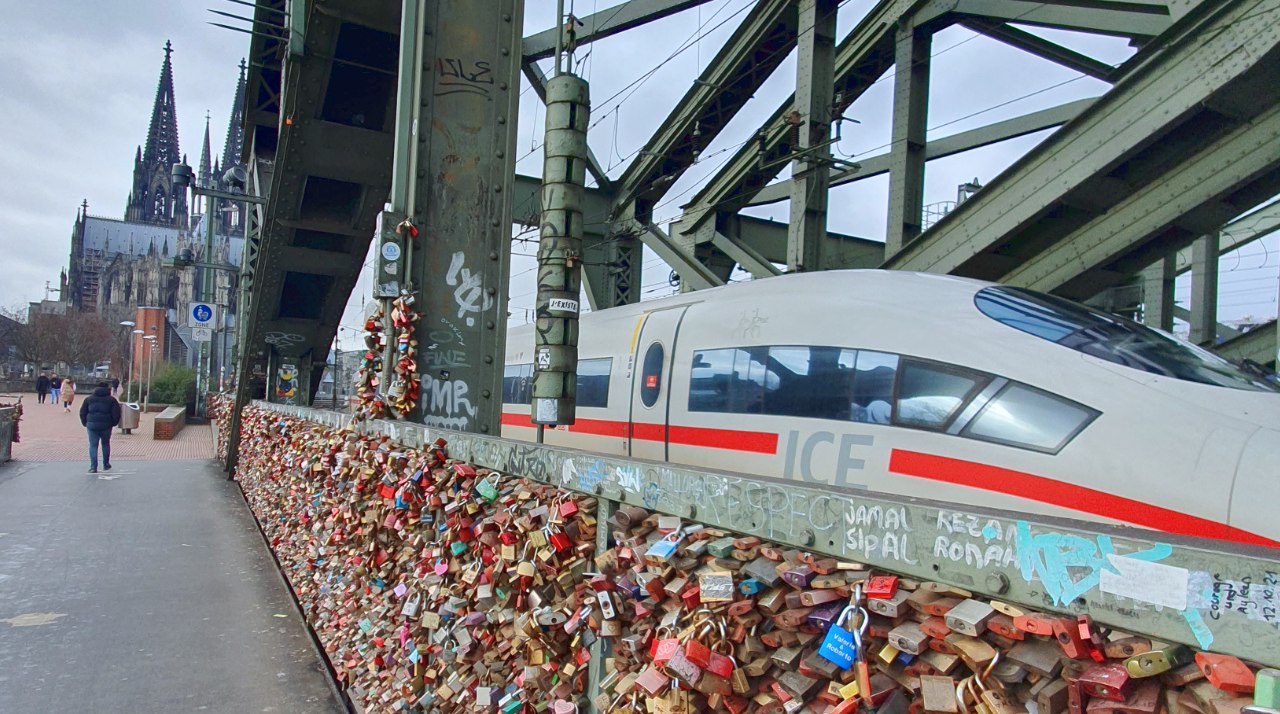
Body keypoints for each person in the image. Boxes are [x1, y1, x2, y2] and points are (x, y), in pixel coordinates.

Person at [80, 381, 121, 474]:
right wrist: (113, 423)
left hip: (92, 424)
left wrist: (85, 422)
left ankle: (93, 466)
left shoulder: (89, 399)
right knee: (105, 444)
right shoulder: (111, 400)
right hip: (106, 425)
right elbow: (116, 413)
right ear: (108, 389)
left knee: (93, 445)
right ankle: (106, 464)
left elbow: (83, 412)